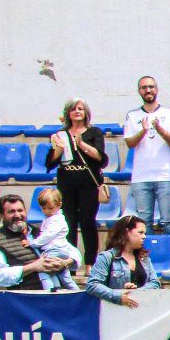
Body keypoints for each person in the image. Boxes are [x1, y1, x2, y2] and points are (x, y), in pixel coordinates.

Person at [45, 98, 107, 263]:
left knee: (87, 221)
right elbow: (50, 162)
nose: (77, 111)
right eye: (73, 109)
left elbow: (101, 158)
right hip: (67, 181)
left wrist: (81, 144)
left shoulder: (95, 133)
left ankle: (90, 262)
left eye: (80, 108)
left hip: (88, 181)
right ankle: (70, 261)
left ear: (86, 112)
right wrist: (58, 149)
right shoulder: (61, 134)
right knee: (69, 223)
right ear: (68, 113)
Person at [122, 75, 170, 236]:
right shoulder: (132, 115)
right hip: (141, 177)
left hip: (165, 175)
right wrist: (143, 130)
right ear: (139, 91)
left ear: (157, 89)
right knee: (144, 222)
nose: (148, 90)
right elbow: (130, 143)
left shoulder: (169, 113)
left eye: (151, 87)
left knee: (168, 221)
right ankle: (145, 259)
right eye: (144, 87)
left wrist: (159, 129)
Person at [0, 194, 78, 291]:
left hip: (61, 296)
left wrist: (65, 263)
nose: (17, 215)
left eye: (20, 210)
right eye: (11, 212)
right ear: (2, 216)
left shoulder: (42, 231)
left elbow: (75, 253)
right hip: (28, 300)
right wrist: (34, 267)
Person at [85, 216, 158, 307]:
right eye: (140, 232)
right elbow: (92, 284)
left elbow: (155, 283)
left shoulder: (144, 258)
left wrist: (138, 291)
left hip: (141, 309)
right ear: (127, 232)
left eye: (144, 233)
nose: (144, 236)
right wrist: (118, 296)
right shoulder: (106, 257)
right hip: (113, 310)